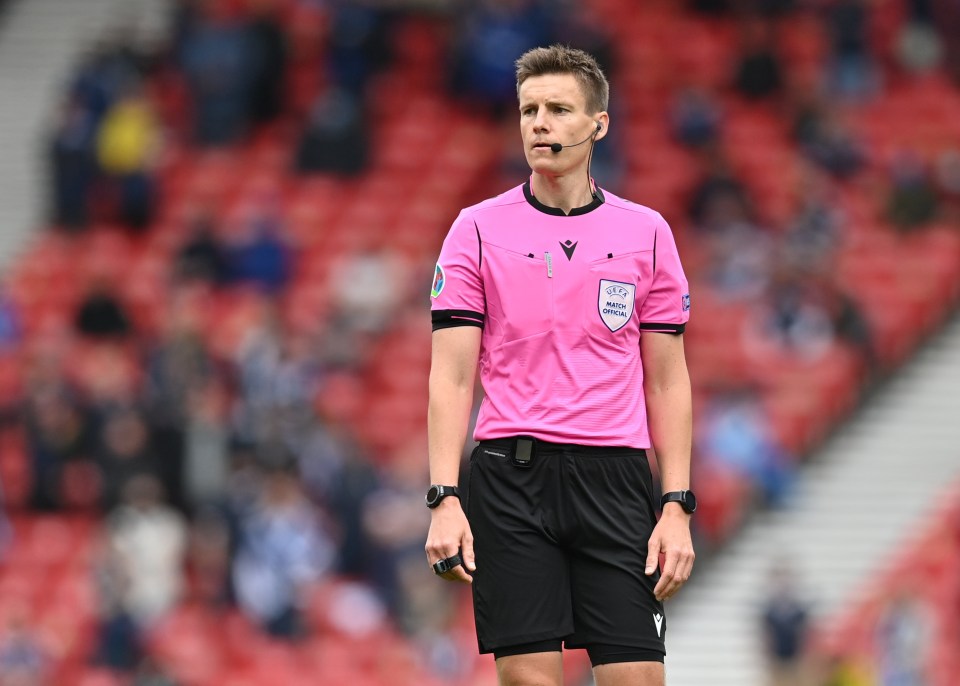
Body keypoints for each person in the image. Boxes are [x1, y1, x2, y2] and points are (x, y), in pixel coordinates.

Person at [424, 45, 696, 686]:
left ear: (599, 123)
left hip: (617, 478)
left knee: (636, 679)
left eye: (558, 110)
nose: (539, 123)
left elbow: (667, 378)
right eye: (528, 110)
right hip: (512, 478)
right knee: (528, 678)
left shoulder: (647, 232)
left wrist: (677, 505)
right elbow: (451, 376)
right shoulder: (476, 229)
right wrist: (443, 496)